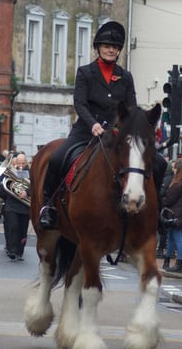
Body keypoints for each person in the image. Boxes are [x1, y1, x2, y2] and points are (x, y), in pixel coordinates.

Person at [39, 21, 166, 230]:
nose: (111, 50)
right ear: (98, 48)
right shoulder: (85, 73)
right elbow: (79, 103)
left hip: (116, 134)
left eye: (115, 47)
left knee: (159, 163)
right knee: (56, 158)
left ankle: (158, 209)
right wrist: (93, 124)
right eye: (107, 46)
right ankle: (48, 206)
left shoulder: (125, 77)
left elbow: (132, 108)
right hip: (86, 131)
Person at [162, 160, 182, 272]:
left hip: (175, 215)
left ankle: (179, 263)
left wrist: (162, 200)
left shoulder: (177, 184)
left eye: (175, 168)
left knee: (177, 239)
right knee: (171, 238)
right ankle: (167, 261)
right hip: (181, 215)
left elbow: (169, 200)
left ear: (179, 170)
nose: (173, 170)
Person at [0, 153, 31, 261]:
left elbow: (36, 188)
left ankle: (19, 251)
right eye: (19, 163)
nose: (21, 165)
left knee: (22, 230)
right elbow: (2, 194)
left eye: (23, 163)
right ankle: (12, 251)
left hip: (25, 207)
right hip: (11, 206)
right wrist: (9, 186)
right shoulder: (10, 174)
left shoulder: (30, 174)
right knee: (13, 226)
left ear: (26, 163)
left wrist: (27, 192)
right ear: (15, 163)